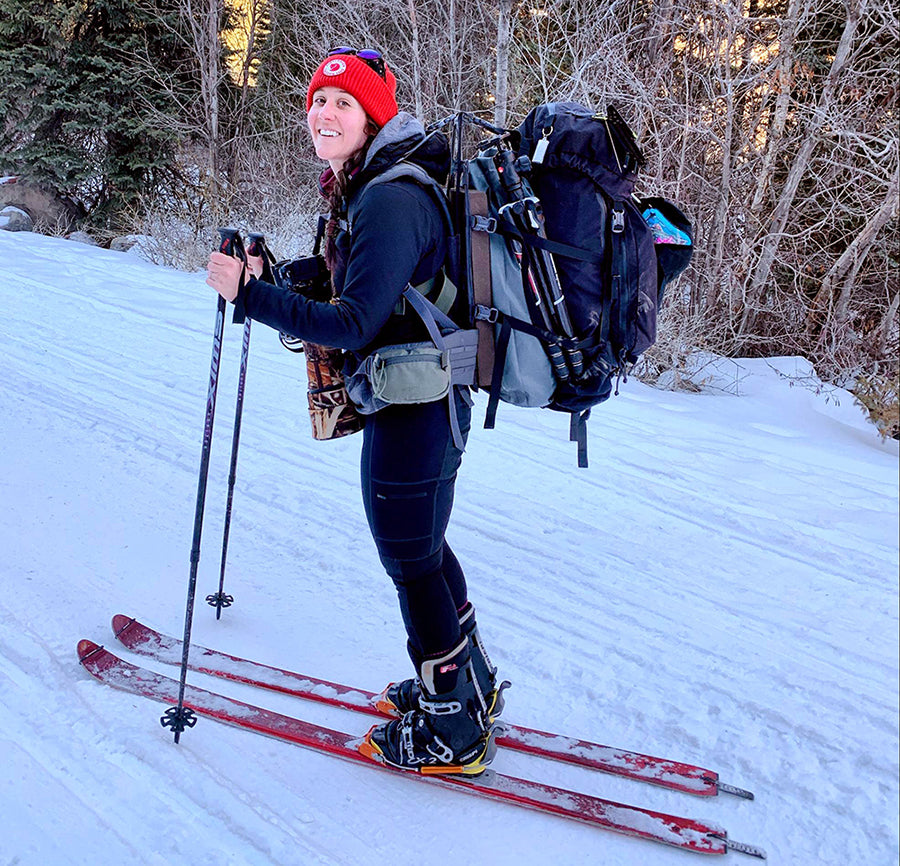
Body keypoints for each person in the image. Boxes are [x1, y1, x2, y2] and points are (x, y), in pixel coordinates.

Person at [205, 47, 503, 775]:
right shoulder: (369, 184)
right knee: (422, 548)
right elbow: (365, 278)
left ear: (374, 115)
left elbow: (353, 323)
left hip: (422, 403)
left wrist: (251, 298)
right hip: (421, 394)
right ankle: (467, 685)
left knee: (408, 556)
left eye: (343, 102)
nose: (325, 113)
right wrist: (279, 276)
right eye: (318, 101)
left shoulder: (389, 196)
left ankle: (450, 733)